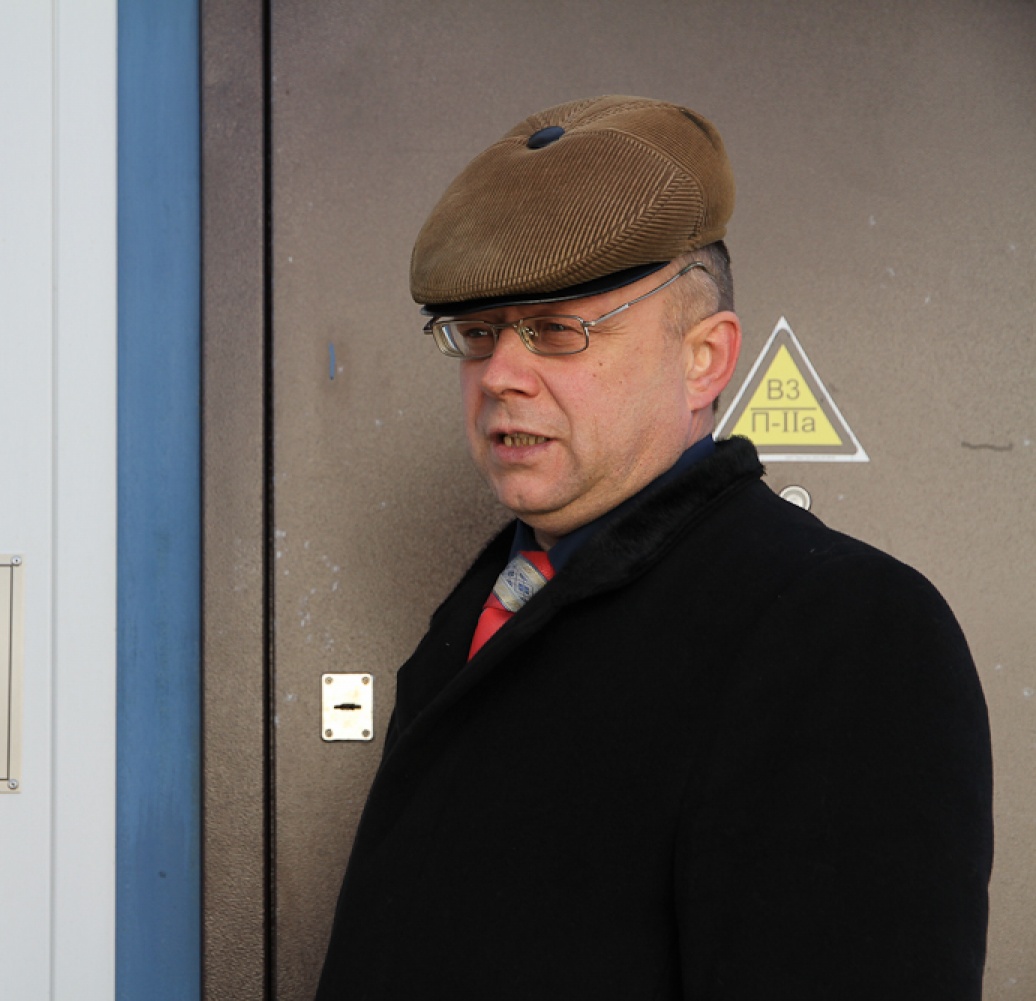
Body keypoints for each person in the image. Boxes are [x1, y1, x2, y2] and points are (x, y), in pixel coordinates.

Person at [313, 96, 993, 1000]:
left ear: (704, 357)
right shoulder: (494, 602)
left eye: (558, 330)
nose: (500, 374)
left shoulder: (843, 633)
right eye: (477, 334)